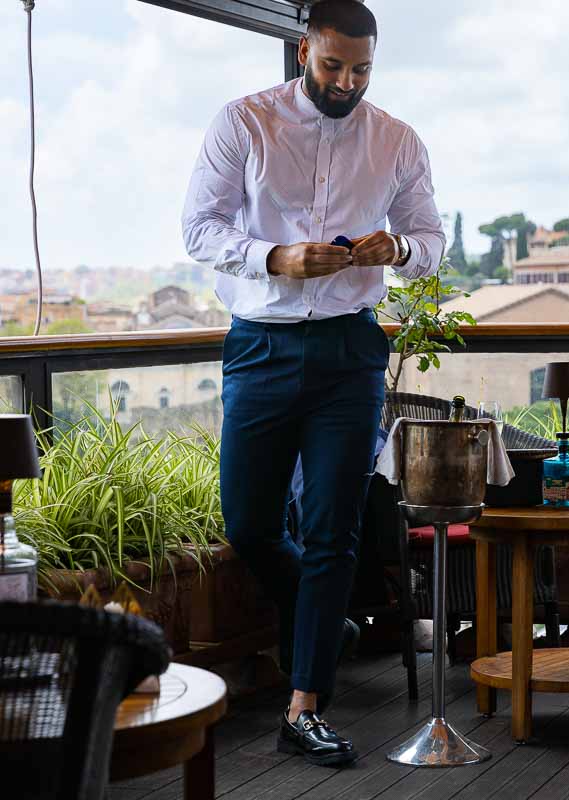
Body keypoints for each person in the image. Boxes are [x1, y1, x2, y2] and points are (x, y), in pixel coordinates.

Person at [181, 0, 444, 767]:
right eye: (333, 66)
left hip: (349, 354)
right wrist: (275, 258)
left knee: (333, 529)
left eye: (361, 69)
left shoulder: (396, 139)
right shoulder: (243, 123)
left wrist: (391, 246)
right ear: (305, 52)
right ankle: (323, 624)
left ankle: (305, 707)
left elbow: (431, 242)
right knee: (250, 525)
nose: (347, 82)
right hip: (259, 346)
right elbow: (199, 229)